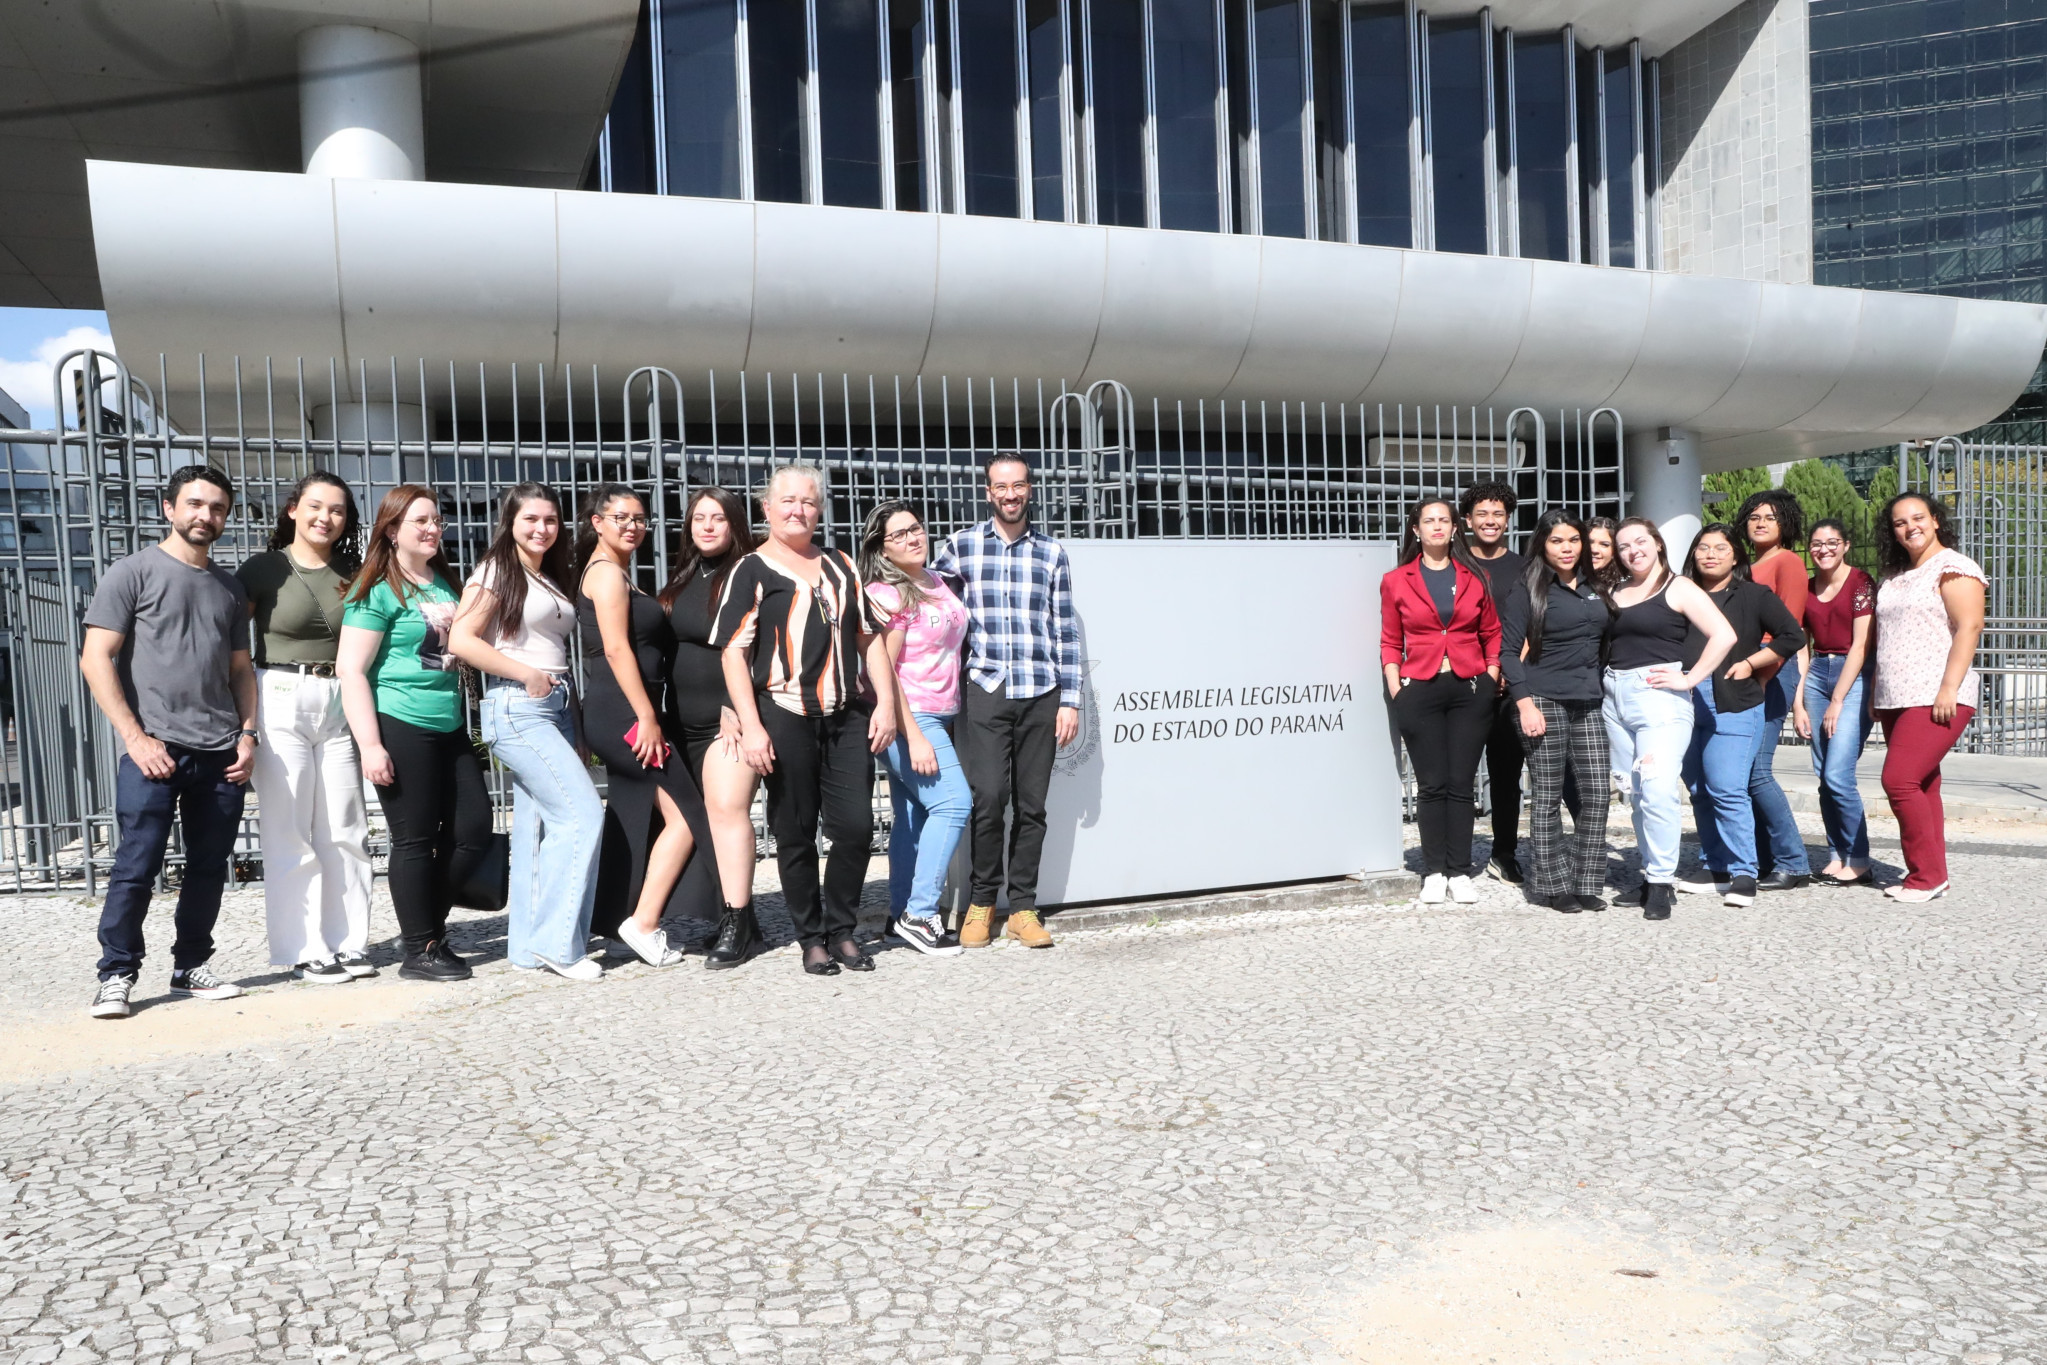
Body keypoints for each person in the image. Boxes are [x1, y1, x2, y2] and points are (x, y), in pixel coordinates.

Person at [81, 465, 258, 1019]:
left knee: (209, 867)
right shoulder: (131, 573)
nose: (206, 516)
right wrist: (135, 738)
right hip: (153, 750)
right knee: (136, 865)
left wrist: (248, 736)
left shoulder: (230, 589)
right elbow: (95, 657)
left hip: (221, 750)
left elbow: (241, 672)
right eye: (195, 504)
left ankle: (189, 968)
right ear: (169, 508)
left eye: (218, 508)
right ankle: (116, 974)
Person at [715, 465, 898, 975]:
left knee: (857, 828)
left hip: (844, 717)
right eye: (788, 501)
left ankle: (841, 928)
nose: (799, 510)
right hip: (783, 713)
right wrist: (752, 726)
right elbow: (733, 654)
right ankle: (811, 937)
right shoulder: (750, 570)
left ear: (820, 510)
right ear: (766, 508)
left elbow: (869, 639)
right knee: (795, 831)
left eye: (809, 502)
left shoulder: (842, 565)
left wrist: (884, 701)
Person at [449, 484, 609, 978]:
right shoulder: (498, 570)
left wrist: (576, 726)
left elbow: (558, 656)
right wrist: (525, 674)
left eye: (551, 520)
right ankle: (560, 946)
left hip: (554, 708)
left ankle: (526, 948)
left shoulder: (547, 576)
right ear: (510, 523)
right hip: (518, 707)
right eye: (531, 520)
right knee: (581, 817)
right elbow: (461, 638)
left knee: (538, 829)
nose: (542, 529)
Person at [338, 485, 493, 983]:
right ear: (391, 530)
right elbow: (351, 670)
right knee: (415, 838)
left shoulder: (444, 583)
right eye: (420, 521)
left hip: (449, 723)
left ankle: (428, 922)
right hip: (401, 723)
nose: (432, 529)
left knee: (473, 829)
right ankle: (419, 948)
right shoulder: (375, 590)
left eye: (437, 521)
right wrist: (371, 745)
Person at [931, 453, 1083, 949]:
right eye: (1001, 486)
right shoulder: (961, 547)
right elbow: (931, 605)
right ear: (988, 492)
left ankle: (1023, 907)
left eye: (1019, 485)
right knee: (989, 799)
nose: (1011, 494)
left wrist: (1071, 699)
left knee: (1033, 807)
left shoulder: (1052, 553)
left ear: (1030, 490)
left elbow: (1064, 628)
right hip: (988, 690)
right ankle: (982, 903)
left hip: (1042, 691)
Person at [237, 471, 375, 985]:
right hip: (278, 692)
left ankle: (349, 942)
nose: (326, 517)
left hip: (339, 695)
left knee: (346, 825)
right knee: (289, 825)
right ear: (293, 509)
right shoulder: (263, 569)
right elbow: (234, 646)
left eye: (338, 510)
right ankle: (304, 947)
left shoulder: (356, 571)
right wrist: (242, 719)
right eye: (316, 506)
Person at [578, 484, 719, 965]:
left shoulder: (617, 573)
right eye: (621, 517)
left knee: (638, 814)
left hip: (621, 709)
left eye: (639, 518)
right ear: (597, 522)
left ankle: (620, 919)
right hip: (624, 711)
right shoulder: (606, 576)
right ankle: (642, 923)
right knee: (686, 812)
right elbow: (617, 649)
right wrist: (646, 717)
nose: (632, 526)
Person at [1602, 517, 1735, 921]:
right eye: (1623, 546)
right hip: (1614, 697)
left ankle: (1662, 881)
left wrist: (1691, 677)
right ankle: (1649, 874)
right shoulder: (1614, 590)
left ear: (1657, 544)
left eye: (1640, 542)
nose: (1632, 551)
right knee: (1636, 793)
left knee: (1658, 789)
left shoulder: (1678, 587)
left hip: (1658, 698)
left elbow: (1723, 634)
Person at [661, 486, 766, 968]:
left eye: (718, 518)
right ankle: (740, 915)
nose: (706, 526)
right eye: (698, 517)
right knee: (701, 819)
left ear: (735, 524)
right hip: (681, 722)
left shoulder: (748, 574)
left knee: (727, 810)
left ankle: (737, 923)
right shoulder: (684, 576)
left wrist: (734, 705)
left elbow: (758, 646)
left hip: (729, 720)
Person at [1676, 524, 1807, 909]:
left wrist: (1752, 663)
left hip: (1733, 700)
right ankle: (1713, 864)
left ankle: (1743, 871)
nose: (1711, 554)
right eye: (1703, 548)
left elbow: (1792, 636)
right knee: (1698, 788)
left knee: (1727, 787)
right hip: (1684, 701)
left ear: (1736, 555)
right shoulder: (1680, 594)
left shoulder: (1753, 595)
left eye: (1721, 548)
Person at [861, 500, 971, 958]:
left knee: (913, 818)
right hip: (914, 716)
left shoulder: (937, 581)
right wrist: (915, 734)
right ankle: (921, 914)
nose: (912, 538)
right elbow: (883, 668)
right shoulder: (887, 593)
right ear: (881, 547)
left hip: (942, 712)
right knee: (953, 802)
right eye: (899, 534)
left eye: (916, 528)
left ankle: (900, 913)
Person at [1381, 498, 1502, 905]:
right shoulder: (1396, 580)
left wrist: (1492, 674)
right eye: (1428, 521)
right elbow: (1389, 639)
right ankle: (1434, 871)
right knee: (1431, 784)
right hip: (1421, 687)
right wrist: (1397, 684)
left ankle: (1460, 870)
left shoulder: (1474, 575)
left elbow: (1493, 632)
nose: (1436, 527)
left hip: (1469, 686)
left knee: (1461, 783)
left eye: (1443, 520)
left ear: (1455, 529)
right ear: (1415, 529)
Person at [1871, 493, 1987, 903]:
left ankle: (1926, 877)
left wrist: (1949, 688)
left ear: (1935, 520)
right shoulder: (1896, 575)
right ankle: (1933, 874)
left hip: (1936, 693)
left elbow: (1970, 626)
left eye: (1918, 518)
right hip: (1896, 695)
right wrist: (1876, 695)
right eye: (1900, 522)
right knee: (1923, 784)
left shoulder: (1953, 567)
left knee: (1898, 780)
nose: (1910, 527)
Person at [1501, 509, 1614, 913]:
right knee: (1548, 795)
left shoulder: (1595, 586)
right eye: (1556, 541)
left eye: (1573, 540)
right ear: (1542, 545)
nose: (1566, 548)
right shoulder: (1529, 588)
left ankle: (1586, 881)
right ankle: (1552, 886)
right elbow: (1508, 653)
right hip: (1542, 699)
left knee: (1598, 793)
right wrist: (1525, 703)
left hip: (1587, 699)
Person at [1734, 489, 1813, 889]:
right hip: (1744, 669)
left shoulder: (1788, 561)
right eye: (1754, 516)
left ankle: (1793, 862)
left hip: (1769, 669)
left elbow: (1790, 629)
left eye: (1771, 517)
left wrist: (1764, 674)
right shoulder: (1748, 564)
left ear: (1785, 524)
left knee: (1757, 772)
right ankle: (1763, 859)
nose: (1761, 522)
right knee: (1744, 771)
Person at [1791, 518, 1876, 886]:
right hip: (1816, 676)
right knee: (1823, 777)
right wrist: (1798, 703)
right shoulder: (1807, 588)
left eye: (1831, 542)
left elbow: (1860, 646)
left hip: (1852, 676)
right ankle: (1836, 854)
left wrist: (1838, 699)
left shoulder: (1860, 582)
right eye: (1816, 543)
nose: (1823, 549)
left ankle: (1858, 857)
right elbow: (1801, 648)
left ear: (1845, 546)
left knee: (1839, 775)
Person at [1458, 481, 1530, 886]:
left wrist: (1510, 670)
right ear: (1467, 520)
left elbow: (1536, 624)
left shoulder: (1524, 567)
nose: (1490, 521)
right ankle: (1455, 859)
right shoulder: (1452, 562)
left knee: (1507, 776)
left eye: (1498, 514)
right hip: (1465, 682)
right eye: (1482, 514)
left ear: (1507, 519)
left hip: (1509, 686)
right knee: (1459, 773)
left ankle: (1503, 853)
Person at [1587, 516, 1624, 592]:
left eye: (1604, 544)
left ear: (1614, 551)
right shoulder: (1566, 581)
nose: (1594, 550)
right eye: (1589, 542)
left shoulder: (1623, 586)